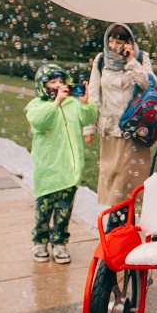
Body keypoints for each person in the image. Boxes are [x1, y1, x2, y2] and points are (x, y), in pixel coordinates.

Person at [26, 64, 97, 263]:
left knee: (64, 211)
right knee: (44, 209)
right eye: (53, 82)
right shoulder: (36, 105)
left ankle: (59, 243)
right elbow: (39, 123)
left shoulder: (72, 104)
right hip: (48, 169)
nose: (58, 85)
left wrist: (85, 103)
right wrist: (56, 102)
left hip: (69, 168)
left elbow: (88, 118)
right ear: (43, 85)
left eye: (61, 82)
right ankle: (40, 241)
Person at [84, 23, 155, 210]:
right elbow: (93, 95)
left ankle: (120, 222)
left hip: (133, 128)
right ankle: (117, 223)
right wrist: (89, 128)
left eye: (119, 41)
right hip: (110, 128)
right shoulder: (101, 60)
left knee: (129, 178)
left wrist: (132, 62)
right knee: (112, 176)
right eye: (111, 40)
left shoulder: (140, 58)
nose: (114, 45)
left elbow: (149, 85)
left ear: (128, 42)